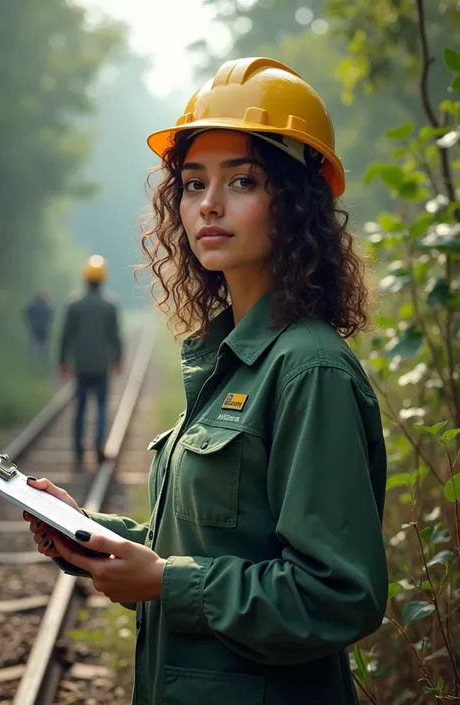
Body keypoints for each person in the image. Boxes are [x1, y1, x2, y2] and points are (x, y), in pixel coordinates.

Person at [24, 58, 388, 704]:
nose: (209, 205)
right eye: (193, 184)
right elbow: (210, 548)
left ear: (297, 203)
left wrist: (167, 582)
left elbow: (339, 595)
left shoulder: (308, 369)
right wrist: (95, 535)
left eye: (241, 180)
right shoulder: (223, 358)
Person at [59, 255, 122, 467]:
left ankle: (78, 450)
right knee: (102, 405)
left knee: (80, 407)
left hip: (82, 364)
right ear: (103, 280)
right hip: (101, 365)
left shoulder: (74, 306)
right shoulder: (109, 306)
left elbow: (66, 335)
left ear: (85, 279)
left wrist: (63, 361)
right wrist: (118, 359)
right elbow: (115, 336)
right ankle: (98, 445)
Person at [23, 289, 54, 358]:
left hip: (37, 327)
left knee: (36, 344)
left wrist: (30, 321)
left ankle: (35, 360)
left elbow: (26, 312)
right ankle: (36, 360)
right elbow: (51, 314)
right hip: (41, 328)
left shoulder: (33, 303)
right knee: (39, 345)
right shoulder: (47, 305)